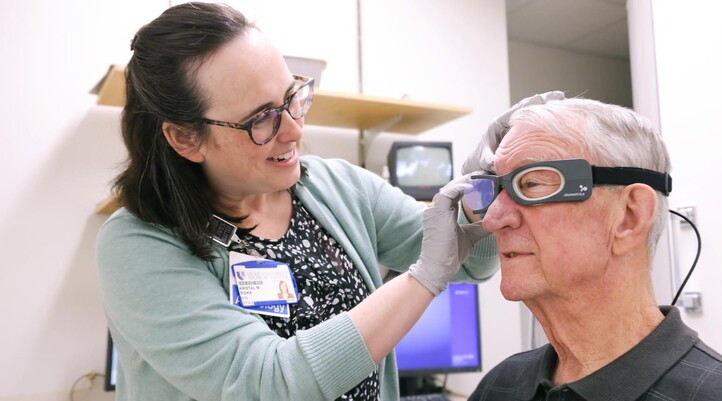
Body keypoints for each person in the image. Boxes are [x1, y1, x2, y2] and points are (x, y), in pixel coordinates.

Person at [96, 3, 497, 400]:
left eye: (293, 98)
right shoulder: (139, 243)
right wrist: (422, 279)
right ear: (185, 138)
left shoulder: (339, 187)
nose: (293, 131)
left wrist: (493, 182)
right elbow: (267, 383)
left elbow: (471, 257)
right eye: (260, 120)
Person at [462, 96, 722, 401]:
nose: (493, 219)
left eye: (531, 183)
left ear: (629, 216)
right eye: (493, 190)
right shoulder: (499, 386)